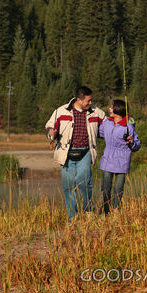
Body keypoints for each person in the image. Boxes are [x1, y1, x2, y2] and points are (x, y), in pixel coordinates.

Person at [45, 86, 106, 219]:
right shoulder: (60, 111)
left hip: (85, 152)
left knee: (85, 182)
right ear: (79, 99)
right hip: (66, 154)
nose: (91, 103)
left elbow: (108, 124)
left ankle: (88, 210)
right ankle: (73, 217)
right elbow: (49, 126)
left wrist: (127, 124)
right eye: (88, 101)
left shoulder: (96, 112)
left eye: (91, 101)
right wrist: (50, 132)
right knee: (68, 187)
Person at [99, 99, 141, 215]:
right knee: (106, 189)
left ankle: (115, 212)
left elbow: (137, 145)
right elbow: (99, 132)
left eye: (111, 107)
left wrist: (132, 142)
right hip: (107, 160)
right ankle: (106, 212)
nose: (109, 109)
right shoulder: (107, 123)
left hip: (122, 163)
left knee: (118, 190)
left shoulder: (129, 127)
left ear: (118, 109)